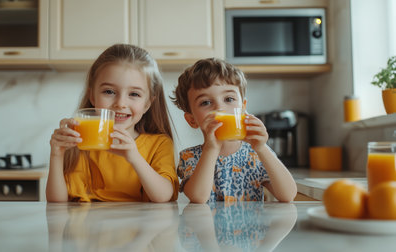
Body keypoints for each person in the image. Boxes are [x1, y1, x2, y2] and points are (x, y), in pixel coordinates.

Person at [46, 44, 179, 203]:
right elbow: (57, 203)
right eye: (109, 92)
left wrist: (133, 157)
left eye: (134, 94)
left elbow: (164, 196)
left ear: (147, 104)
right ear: (93, 97)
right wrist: (56, 154)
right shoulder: (80, 142)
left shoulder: (159, 144)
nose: (120, 103)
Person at [171, 58, 297, 203]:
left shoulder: (255, 154)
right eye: (206, 102)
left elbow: (288, 195)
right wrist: (211, 148)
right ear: (192, 120)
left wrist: (262, 148)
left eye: (229, 99)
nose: (220, 108)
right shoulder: (190, 157)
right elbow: (198, 197)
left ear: (243, 107)